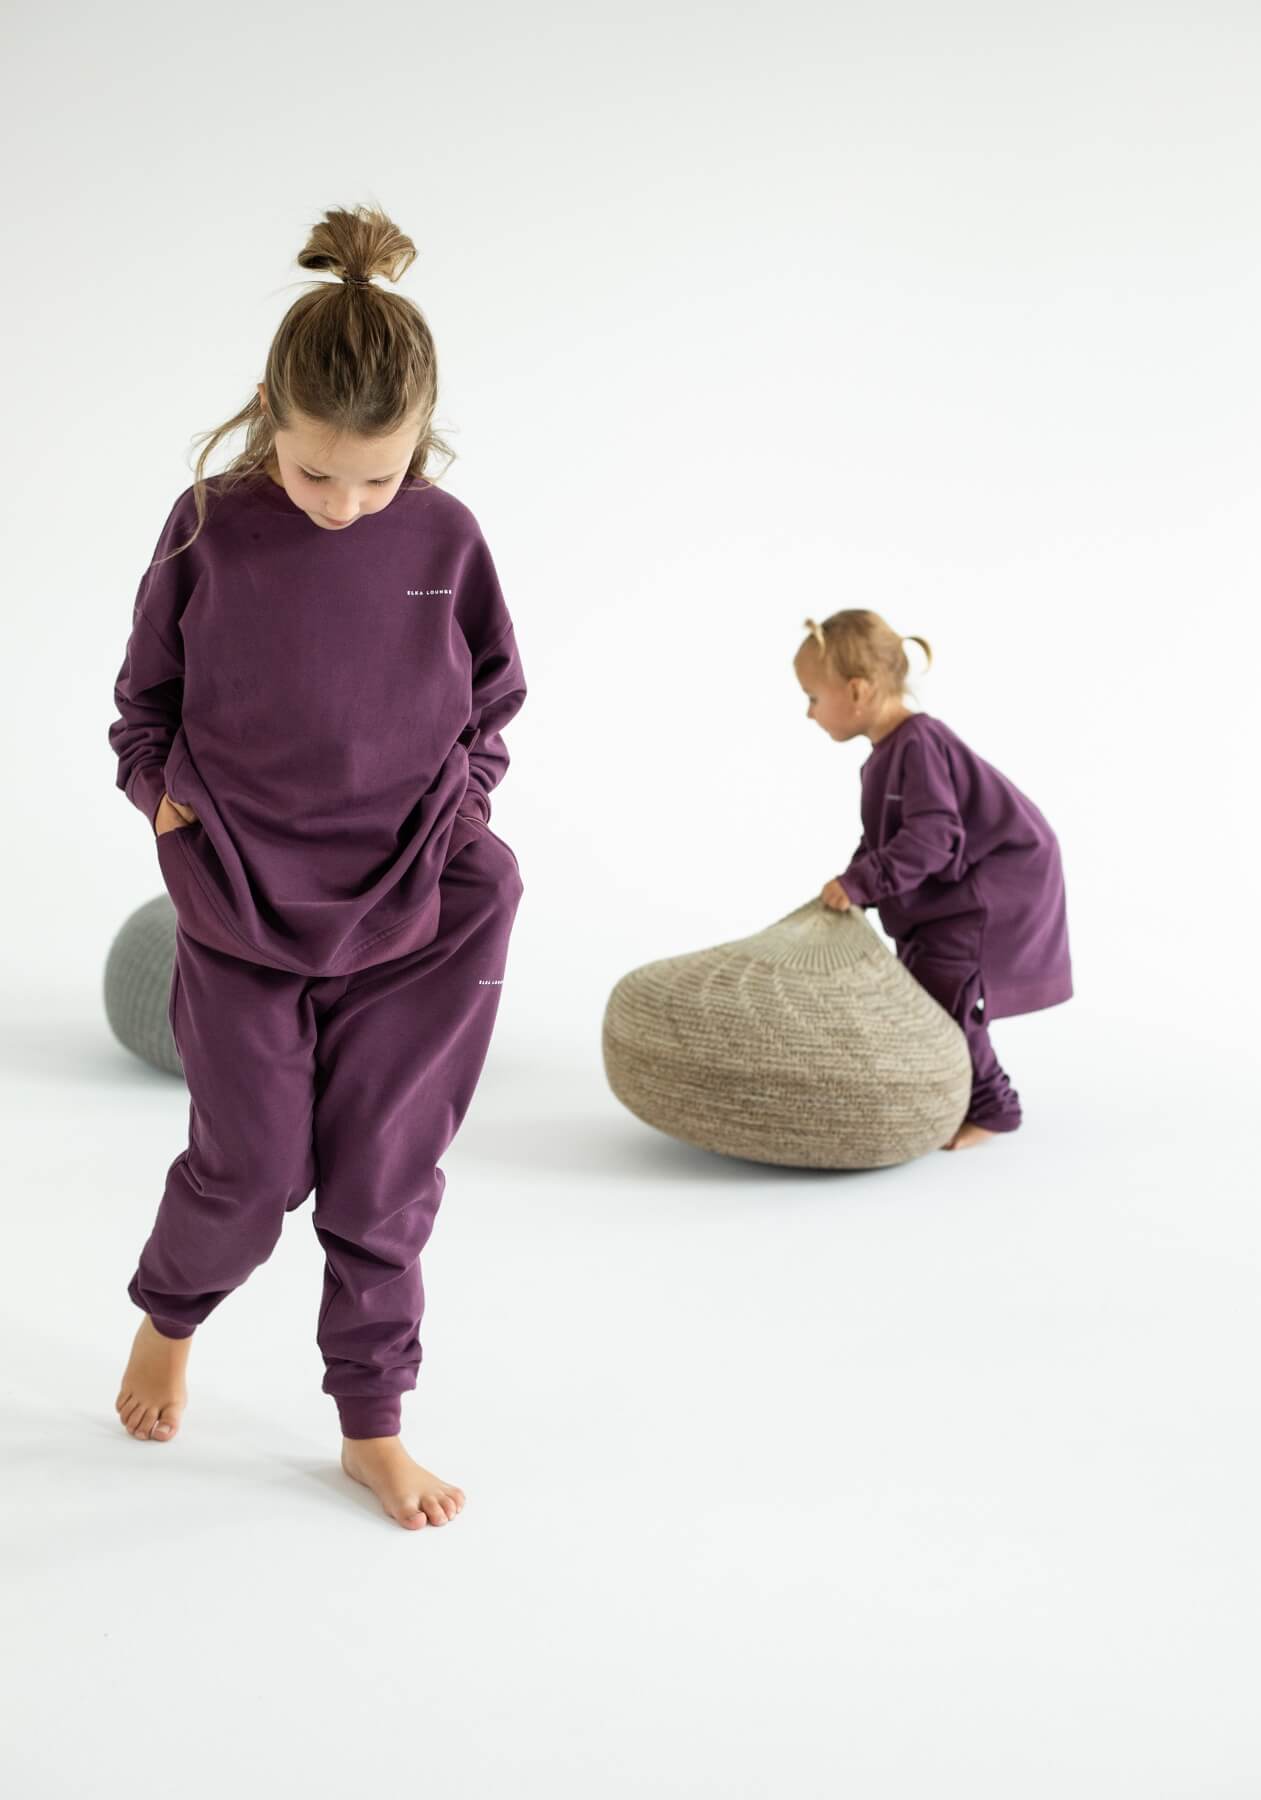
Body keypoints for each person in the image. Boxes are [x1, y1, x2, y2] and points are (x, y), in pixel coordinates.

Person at [107, 203, 526, 1531]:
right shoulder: (208, 528)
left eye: (377, 482)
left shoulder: (447, 541)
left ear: (422, 442)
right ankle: (170, 1319)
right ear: (267, 420)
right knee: (248, 1174)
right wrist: (166, 808)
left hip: (426, 906)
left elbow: (494, 700)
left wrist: (463, 809)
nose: (344, 507)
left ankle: (371, 1426)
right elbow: (143, 707)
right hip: (241, 899)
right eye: (313, 475)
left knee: (382, 1179)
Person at [794, 610, 1072, 1152]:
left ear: (857, 691)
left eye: (812, 697)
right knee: (919, 983)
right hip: (956, 889)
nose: (808, 713)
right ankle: (946, 1094)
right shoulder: (886, 756)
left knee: (943, 994)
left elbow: (933, 838)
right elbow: (887, 836)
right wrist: (854, 883)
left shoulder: (918, 744)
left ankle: (994, 1107)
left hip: (993, 889)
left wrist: (865, 882)